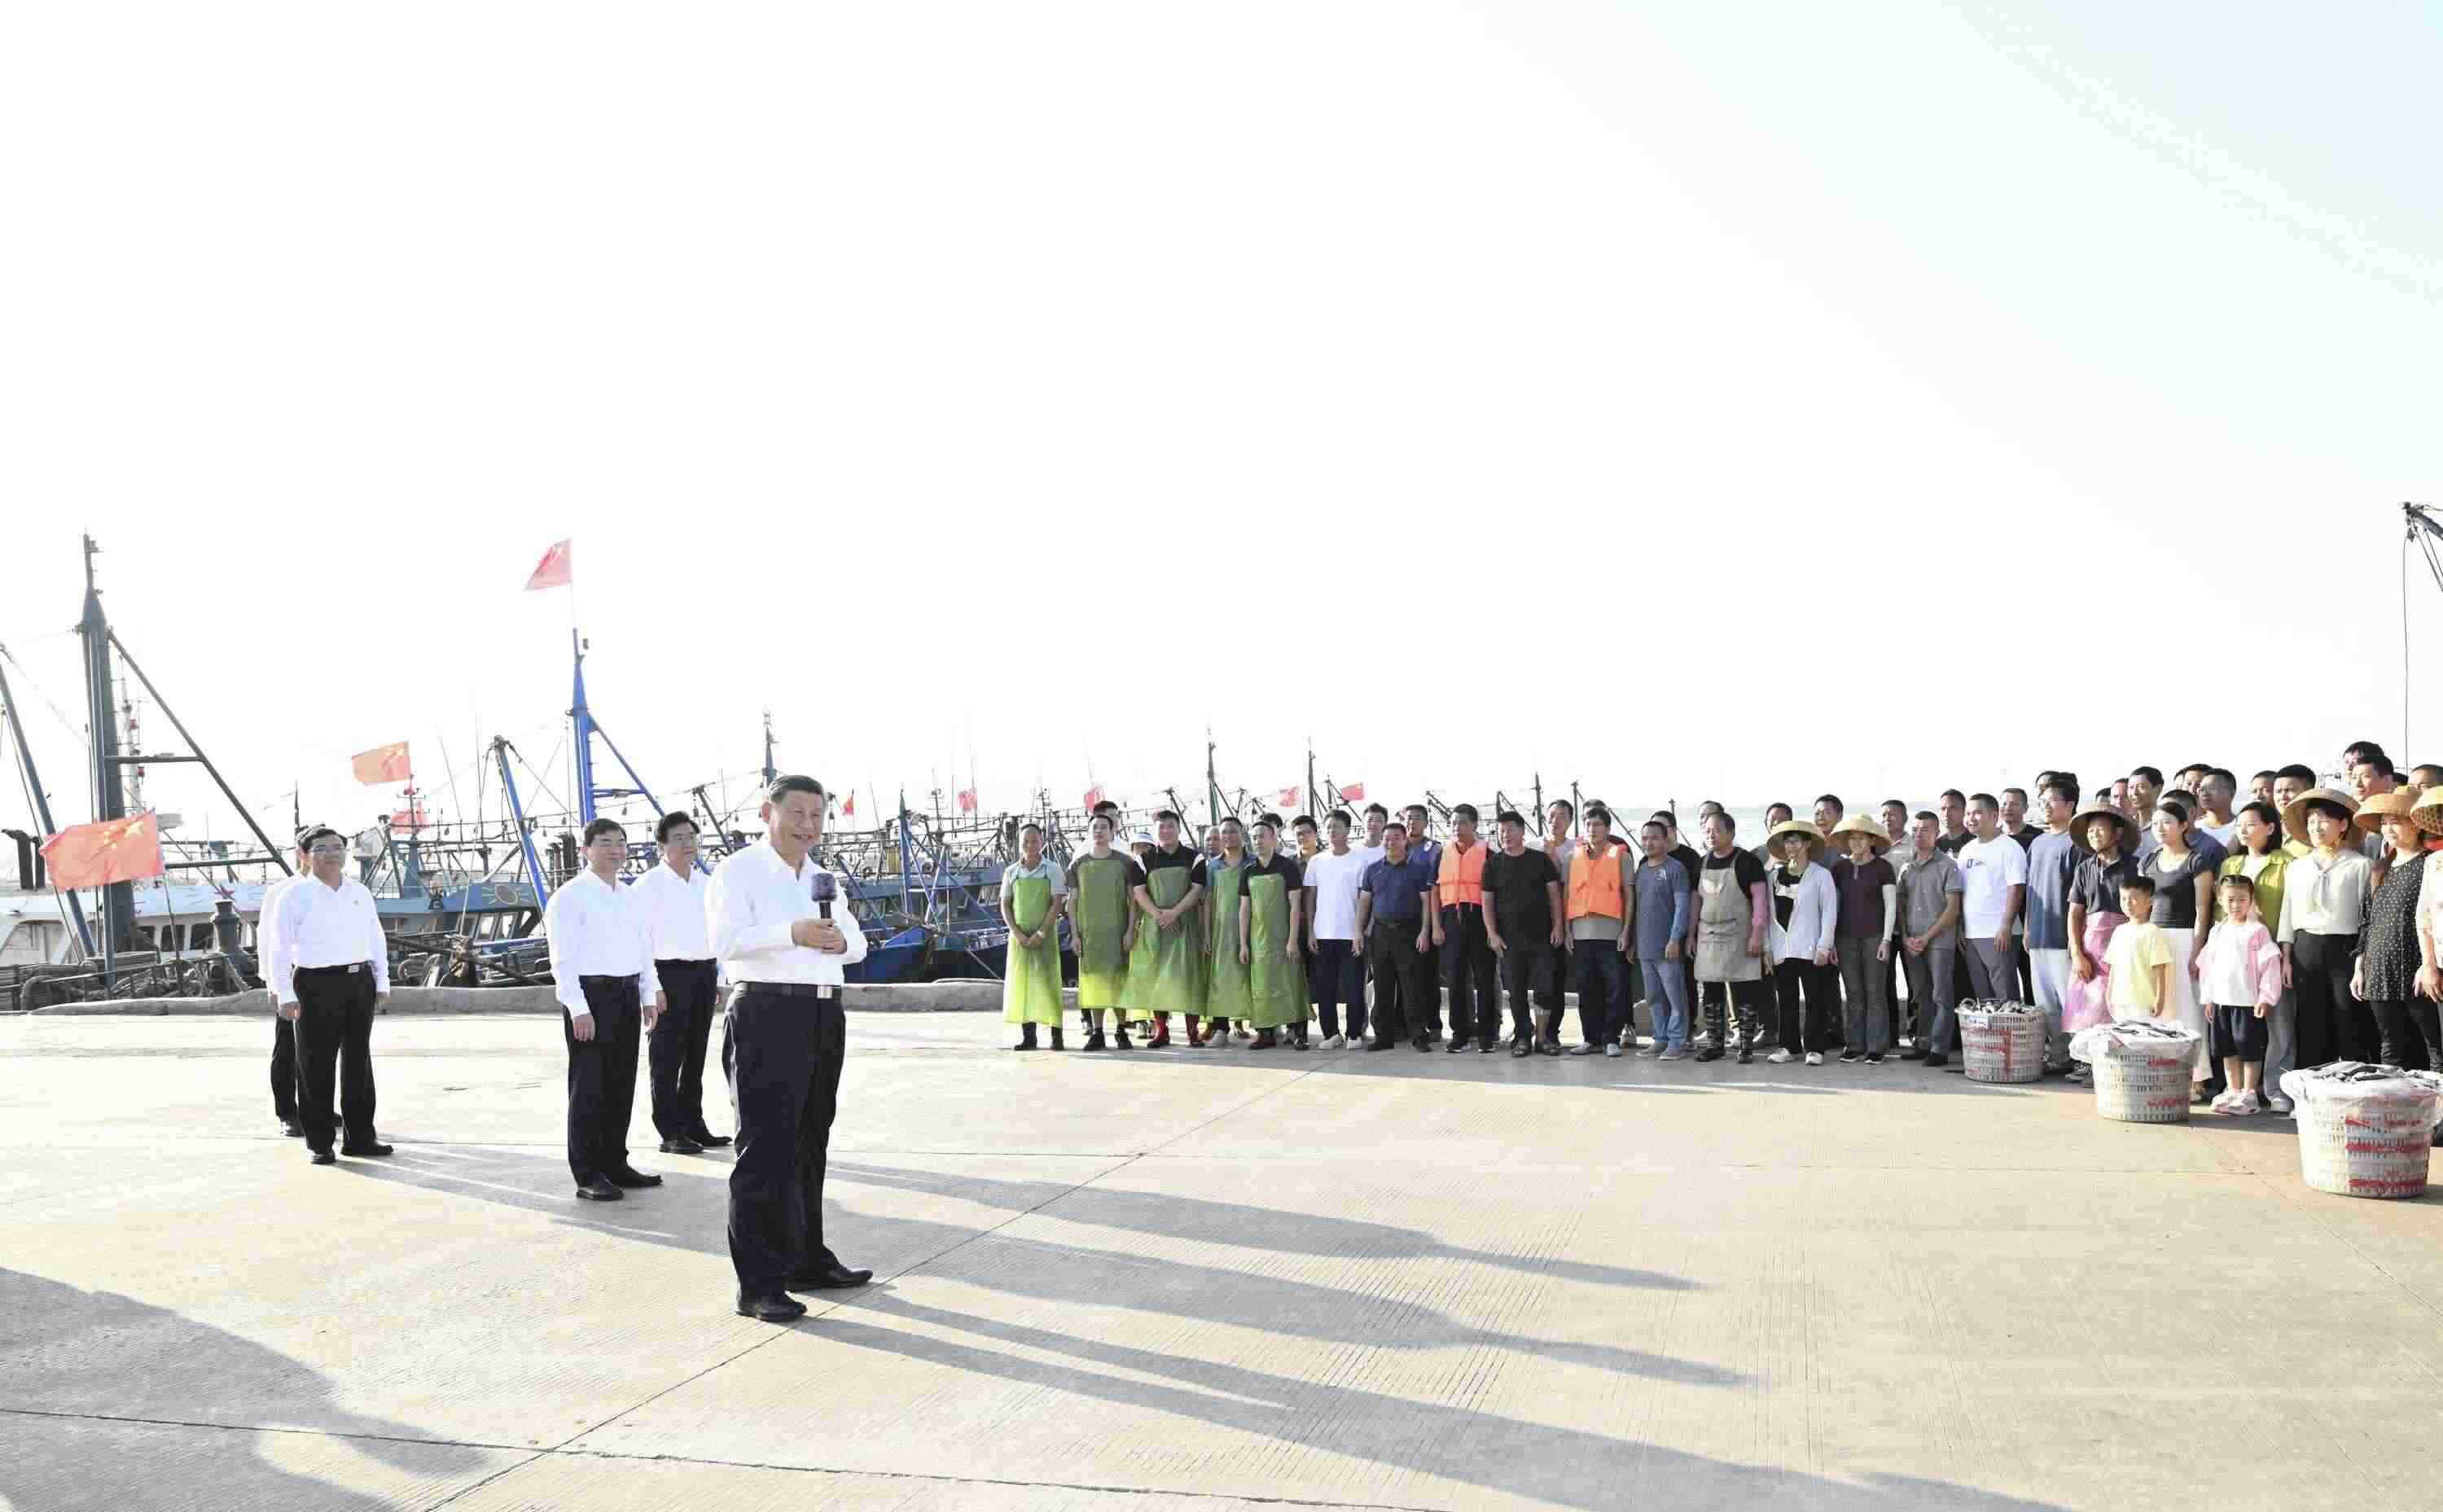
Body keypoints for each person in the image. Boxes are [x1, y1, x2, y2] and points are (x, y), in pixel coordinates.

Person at [707, 774, 872, 1323]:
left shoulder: (823, 878)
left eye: (817, 815)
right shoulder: (738, 872)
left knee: (809, 1141)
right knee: (765, 1148)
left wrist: (839, 940)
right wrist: (792, 932)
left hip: (823, 1014)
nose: (808, 825)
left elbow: (857, 943)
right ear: (767, 812)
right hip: (766, 1012)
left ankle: (806, 1258)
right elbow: (725, 941)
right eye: (797, 813)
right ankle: (758, 1284)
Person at [544, 818, 666, 1199]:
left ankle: (615, 1162)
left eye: (621, 843)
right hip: (591, 998)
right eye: (605, 843)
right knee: (589, 1088)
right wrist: (577, 1007)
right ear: (586, 850)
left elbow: (644, 950)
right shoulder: (569, 897)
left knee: (620, 1084)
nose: (615, 850)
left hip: (626, 995)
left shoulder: (629, 895)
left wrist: (649, 995)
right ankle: (587, 1173)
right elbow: (562, 959)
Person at [269, 825, 393, 1165]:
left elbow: (376, 937)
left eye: (337, 847)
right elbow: (279, 948)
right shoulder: (294, 896)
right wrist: (284, 992)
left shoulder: (359, 892)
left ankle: (360, 1137)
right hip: (314, 984)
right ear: (306, 856)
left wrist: (382, 982)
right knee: (315, 1065)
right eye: (322, 848)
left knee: (358, 1063)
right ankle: (320, 1143)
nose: (331, 854)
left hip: (359, 981)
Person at [632, 812, 723, 1152]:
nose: (688, 844)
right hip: (666, 975)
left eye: (691, 837)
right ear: (662, 847)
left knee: (696, 1054)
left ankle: (693, 1123)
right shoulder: (647, 887)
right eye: (679, 839)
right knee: (666, 1057)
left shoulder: (706, 884)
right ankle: (670, 1130)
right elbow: (639, 942)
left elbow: (715, 934)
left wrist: (718, 976)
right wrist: (651, 988)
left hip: (704, 973)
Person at [2277, 787, 2373, 1072]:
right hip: (2306, 948)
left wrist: (2361, 961)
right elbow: (2287, 913)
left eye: (2324, 821)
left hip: (2346, 947)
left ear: (2343, 825)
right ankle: (2310, 1083)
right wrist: (2286, 957)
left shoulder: (2360, 865)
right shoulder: (2298, 866)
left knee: (2349, 1017)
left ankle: (2354, 1081)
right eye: (2311, 821)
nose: (2316, 827)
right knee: (2310, 1020)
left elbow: (2367, 917)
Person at [2139, 799, 2219, 1098]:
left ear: (2184, 825)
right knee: (2157, 1006)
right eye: (2156, 823)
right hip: (2153, 939)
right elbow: (2143, 907)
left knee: (2188, 1009)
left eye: (2168, 822)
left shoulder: (2197, 862)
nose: (2161, 828)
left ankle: (2196, 1077)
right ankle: (2160, 1071)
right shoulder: (2147, 861)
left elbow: (2202, 910)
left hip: (2185, 939)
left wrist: (2197, 950)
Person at [2217, 804, 2293, 1109]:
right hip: (2235, 958)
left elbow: (2289, 912)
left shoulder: (2287, 862)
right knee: (2238, 1027)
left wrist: (2286, 954)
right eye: (2240, 825)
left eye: (2251, 824)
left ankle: (2277, 1090)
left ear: (2270, 828)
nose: (2243, 830)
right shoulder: (2231, 864)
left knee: (2278, 1024)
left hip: (2271, 951)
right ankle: (2237, 1088)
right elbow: (2220, 914)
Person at [2353, 791, 2434, 1072]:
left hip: (2419, 967)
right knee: (2391, 1046)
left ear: (2416, 825)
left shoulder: (2431, 863)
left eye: (2396, 821)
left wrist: (2429, 964)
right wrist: (2360, 966)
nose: (2389, 828)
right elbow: (2367, 921)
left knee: (2433, 1045)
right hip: (2380, 968)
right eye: (2384, 822)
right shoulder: (2379, 868)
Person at [2064, 799, 2142, 1080]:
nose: (2094, 835)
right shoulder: (2084, 868)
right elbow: (2075, 913)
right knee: (2087, 1006)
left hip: (2125, 944)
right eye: (2090, 831)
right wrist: (2077, 953)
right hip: (2091, 946)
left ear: (2118, 833)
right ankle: (2087, 1064)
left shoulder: (2136, 867)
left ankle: (2118, 1067)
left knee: (2121, 1006)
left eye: (2100, 829)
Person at [2196, 876, 2283, 1114]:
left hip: (2247, 1001)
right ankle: (2233, 1090)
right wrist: (2208, 997)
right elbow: (2208, 966)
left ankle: (2249, 1093)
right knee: (2227, 1049)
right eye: (2231, 899)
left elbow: (2270, 966)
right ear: (2220, 899)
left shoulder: (2258, 931)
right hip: (2221, 1001)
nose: (2236, 905)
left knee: (2249, 1048)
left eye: (2242, 899)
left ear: (2251, 900)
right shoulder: (2217, 931)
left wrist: (2265, 997)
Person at [1483, 810, 1564, 1057]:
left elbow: (1554, 896)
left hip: (1542, 937)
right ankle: (1523, 1037)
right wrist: (1492, 933)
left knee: (1545, 989)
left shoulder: (1540, 860)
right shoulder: (1493, 864)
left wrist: (1558, 926)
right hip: (1508, 940)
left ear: (1522, 832)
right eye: (1501, 831)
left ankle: (1543, 1038)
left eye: (1510, 830)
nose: (1505, 835)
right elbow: (1487, 902)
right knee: (1516, 992)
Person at [1555, 807, 1634, 1058]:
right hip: (1580, 933)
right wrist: (1567, 930)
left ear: (1608, 829)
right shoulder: (1572, 858)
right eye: (1589, 825)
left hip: (1611, 933)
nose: (1592, 829)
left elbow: (1629, 896)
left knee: (1614, 989)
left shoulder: (1621, 857)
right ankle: (1591, 1039)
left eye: (1598, 824)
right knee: (1586, 989)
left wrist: (1626, 932)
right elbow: (1566, 896)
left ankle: (1611, 1038)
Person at [1691, 812, 1770, 1063]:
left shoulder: (1748, 862)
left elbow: (1760, 901)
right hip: (1707, 935)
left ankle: (1746, 1046)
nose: (1711, 835)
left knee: (1745, 990)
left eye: (1716, 830)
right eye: (1707, 831)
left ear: (1731, 833)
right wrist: (1691, 934)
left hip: (1740, 935)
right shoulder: (1701, 863)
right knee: (1711, 990)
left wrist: (1757, 934)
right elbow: (1696, 901)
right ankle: (1715, 1044)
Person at [1763, 820, 1838, 1067]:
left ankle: (1815, 1048)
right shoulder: (1774, 876)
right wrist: (1767, 947)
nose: (1790, 847)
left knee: (1816, 999)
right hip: (1783, 948)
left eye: (1795, 842)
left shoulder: (1821, 875)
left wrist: (1824, 946)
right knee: (1786, 999)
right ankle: (1788, 1046)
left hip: (1811, 947)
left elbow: (1829, 912)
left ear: (1806, 844)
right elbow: (1768, 915)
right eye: (1787, 842)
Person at [1356, 820, 1436, 1050]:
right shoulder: (1373, 869)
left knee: (1412, 987)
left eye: (1396, 838)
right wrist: (1358, 932)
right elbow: (1364, 903)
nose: (1391, 842)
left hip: (1409, 933)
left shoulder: (1418, 869)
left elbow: (1426, 903)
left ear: (1405, 840)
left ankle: (1418, 1035)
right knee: (1382, 987)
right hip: (1381, 933)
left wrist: (1425, 932)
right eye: (1387, 838)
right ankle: (1384, 1037)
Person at [1067, 815, 1143, 1051]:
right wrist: (1075, 934)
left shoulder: (1125, 862)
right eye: (1095, 827)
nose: (1099, 831)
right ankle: (1098, 1032)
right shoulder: (1078, 865)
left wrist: (1131, 930)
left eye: (1103, 827)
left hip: (1117, 933)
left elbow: (1133, 900)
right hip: (1089, 935)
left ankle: (1121, 1030)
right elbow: (1072, 902)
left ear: (1112, 832)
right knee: (1093, 983)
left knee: (1119, 981)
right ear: (1089, 832)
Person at [1893, 812, 1963, 1066]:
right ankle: (1922, 1043)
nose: (1918, 835)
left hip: (1940, 941)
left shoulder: (1948, 866)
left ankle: (1939, 1049)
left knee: (1941, 995)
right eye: (1915, 830)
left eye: (1925, 830)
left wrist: (1926, 937)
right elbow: (1901, 906)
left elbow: (1953, 909)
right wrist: (1906, 936)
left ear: (1936, 833)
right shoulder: (1906, 868)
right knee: (1920, 995)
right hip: (1912, 942)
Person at [257, 827, 315, 1138]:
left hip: (326, 979)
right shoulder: (281, 891)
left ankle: (316, 1107)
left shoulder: (337, 890)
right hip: (291, 978)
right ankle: (288, 1112)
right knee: (288, 1048)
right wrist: (273, 985)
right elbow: (268, 941)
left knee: (322, 1049)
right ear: (301, 853)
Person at [2023, 778, 2082, 1075]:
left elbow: (2081, 896)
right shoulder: (2037, 843)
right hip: (2038, 935)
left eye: (2051, 801)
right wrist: (2028, 927)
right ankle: (2058, 1056)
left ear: (2070, 804)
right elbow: (2031, 890)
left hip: (2064, 936)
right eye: (2042, 802)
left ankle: (2081, 1059)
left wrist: (2077, 939)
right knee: (2045, 1003)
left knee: (2071, 1000)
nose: (2045, 806)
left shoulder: (2078, 843)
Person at [1827, 813, 1897, 1064]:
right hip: (1845, 938)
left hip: (1875, 937)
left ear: (1872, 840)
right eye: (1852, 838)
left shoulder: (1883, 867)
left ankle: (1877, 1047)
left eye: (1861, 838)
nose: (1856, 842)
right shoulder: (1839, 869)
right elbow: (1832, 907)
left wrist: (1886, 940)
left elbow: (1891, 906)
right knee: (1853, 992)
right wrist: (1831, 941)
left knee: (1875, 992)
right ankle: (1855, 1045)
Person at [1428, 804, 1497, 1053]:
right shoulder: (1441, 853)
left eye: (1463, 823)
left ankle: (1487, 1034)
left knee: (1485, 979)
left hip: (1480, 918)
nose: (1457, 827)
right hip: (1450, 920)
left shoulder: (1489, 853)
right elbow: (1434, 891)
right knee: (1455, 980)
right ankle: (1460, 1034)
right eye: (1454, 823)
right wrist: (1436, 926)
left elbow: (1497, 893)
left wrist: (1493, 930)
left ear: (1475, 825)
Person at [1134, 816, 1208, 1048]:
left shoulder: (1194, 858)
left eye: (1170, 826)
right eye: (1161, 827)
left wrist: (1175, 913)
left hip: (1186, 925)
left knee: (1189, 977)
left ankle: (1192, 1032)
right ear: (1155, 830)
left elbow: (1197, 890)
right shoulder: (1143, 859)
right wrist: (1159, 916)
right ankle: (1162, 1031)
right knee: (1157, 978)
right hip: (1155, 927)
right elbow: (1139, 892)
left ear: (1178, 829)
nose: (1166, 831)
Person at [1238, 816, 1307, 1050]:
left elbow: (1295, 905)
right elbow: (1244, 908)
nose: (1258, 841)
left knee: (1291, 982)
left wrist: (1292, 940)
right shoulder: (1248, 870)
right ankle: (1265, 1032)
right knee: (1262, 984)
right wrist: (1243, 943)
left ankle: (1298, 1031)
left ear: (1274, 839)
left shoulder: (1287, 867)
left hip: (1285, 936)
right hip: (1258, 940)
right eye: (1254, 837)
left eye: (1262, 837)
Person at [999, 822, 1067, 1051]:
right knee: (1023, 985)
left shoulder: (1052, 869)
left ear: (1042, 842)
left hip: (1044, 936)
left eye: (1034, 841)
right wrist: (1016, 932)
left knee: (1049, 983)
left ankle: (1057, 1035)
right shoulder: (1011, 872)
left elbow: (1057, 903)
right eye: (1025, 842)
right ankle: (1029, 1037)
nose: (1030, 845)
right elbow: (1005, 904)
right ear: (1019, 844)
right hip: (1019, 939)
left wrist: (1042, 932)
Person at [1954, 794, 2027, 1006]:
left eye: (1977, 813)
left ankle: (2011, 1030)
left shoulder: (2009, 847)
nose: (1971, 818)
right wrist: (1960, 927)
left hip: (1999, 934)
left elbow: (2016, 888)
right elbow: (1962, 892)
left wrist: (2006, 925)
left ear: (1994, 816)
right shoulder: (1967, 850)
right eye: (1968, 813)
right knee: (1984, 999)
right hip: (1972, 935)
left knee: (2005, 998)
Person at [1300, 809, 1365, 1048]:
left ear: (1347, 830)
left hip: (1351, 935)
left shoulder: (1359, 861)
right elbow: (1310, 898)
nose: (1332, 830)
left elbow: (1364, 899)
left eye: (1336, 826)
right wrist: (1310, 931)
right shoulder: (1317, 861)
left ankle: (1354, 1034)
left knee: (1354, 987)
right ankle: (1331, 1034)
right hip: (1323, 934)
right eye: (1328, 827)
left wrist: (1359, 931)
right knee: (1325, 988)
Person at [1632, 816, 1694, 1058]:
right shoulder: (1641, 870)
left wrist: (1675, 939)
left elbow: (1682, 907)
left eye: (1654, 838)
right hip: (1644, 946)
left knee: (1675, 996)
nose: (1649, 843)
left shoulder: (1676, 869)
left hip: (1668, 946)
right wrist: (1633, 940)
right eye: (1645, 838)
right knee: (1653, 996)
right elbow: (1637, 908)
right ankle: (1660, 1038)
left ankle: (1677, 1041)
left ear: (1666, 840)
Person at [1203, 817, 1254, 1044]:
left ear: (1242, 833)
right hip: (1222, 928)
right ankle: (1221, 1028)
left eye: (1233, 831)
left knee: (1253, 976)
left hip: (1252, 926)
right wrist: (1207, 933)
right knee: (1221, 977)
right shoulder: (1213, 866)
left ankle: (1266, 1026)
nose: (1227, 836)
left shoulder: (1253, 862)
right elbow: (1208, 900)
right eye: (1224, 832)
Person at [2103, 877, 2173, 1023]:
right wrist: (2109, 994)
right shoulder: (2119, 931)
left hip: (2144, 1002)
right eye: (2123, 898)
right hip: (2120, 1000)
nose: (2127, 903)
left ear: (2149, 902)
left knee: (2143, 1035)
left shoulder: (2153, 932)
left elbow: (2159, 969)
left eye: (2134, 898)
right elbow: (2114, 967)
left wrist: (2159, 999)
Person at [1404, 803, 1444, 1041]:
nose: (1412, 822)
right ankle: (1408, 1025)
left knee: (1429, 976)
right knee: (1406, 977)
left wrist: (1431, 927)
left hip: (1427, 919)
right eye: (1409, 818)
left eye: (1418, 818)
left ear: (1426, 823)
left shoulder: (1434, 850)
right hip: (1402, 921)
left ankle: (1434, 1023)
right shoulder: (1396, 846)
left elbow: (1434, 888)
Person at [2195, 769, 2240, 849]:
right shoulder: (2194, 827)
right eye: (2202, 789)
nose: (2205, 793)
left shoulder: (2241, 828)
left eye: (2211, 788)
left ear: (2232, 792)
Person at [1752, 803, 1793, 870]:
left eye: (1782, 819)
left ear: (1791, 824)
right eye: (1773, 819)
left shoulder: (1801, 851)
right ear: (1765, 823)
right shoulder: (1755, 854)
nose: (1776, 823)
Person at [1935, 790, 1972, 855]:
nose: (1946, 813)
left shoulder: (1976, 841)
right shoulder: (1936, 846)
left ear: (1964, 810)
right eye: (1943, 809)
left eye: (1952, 808)